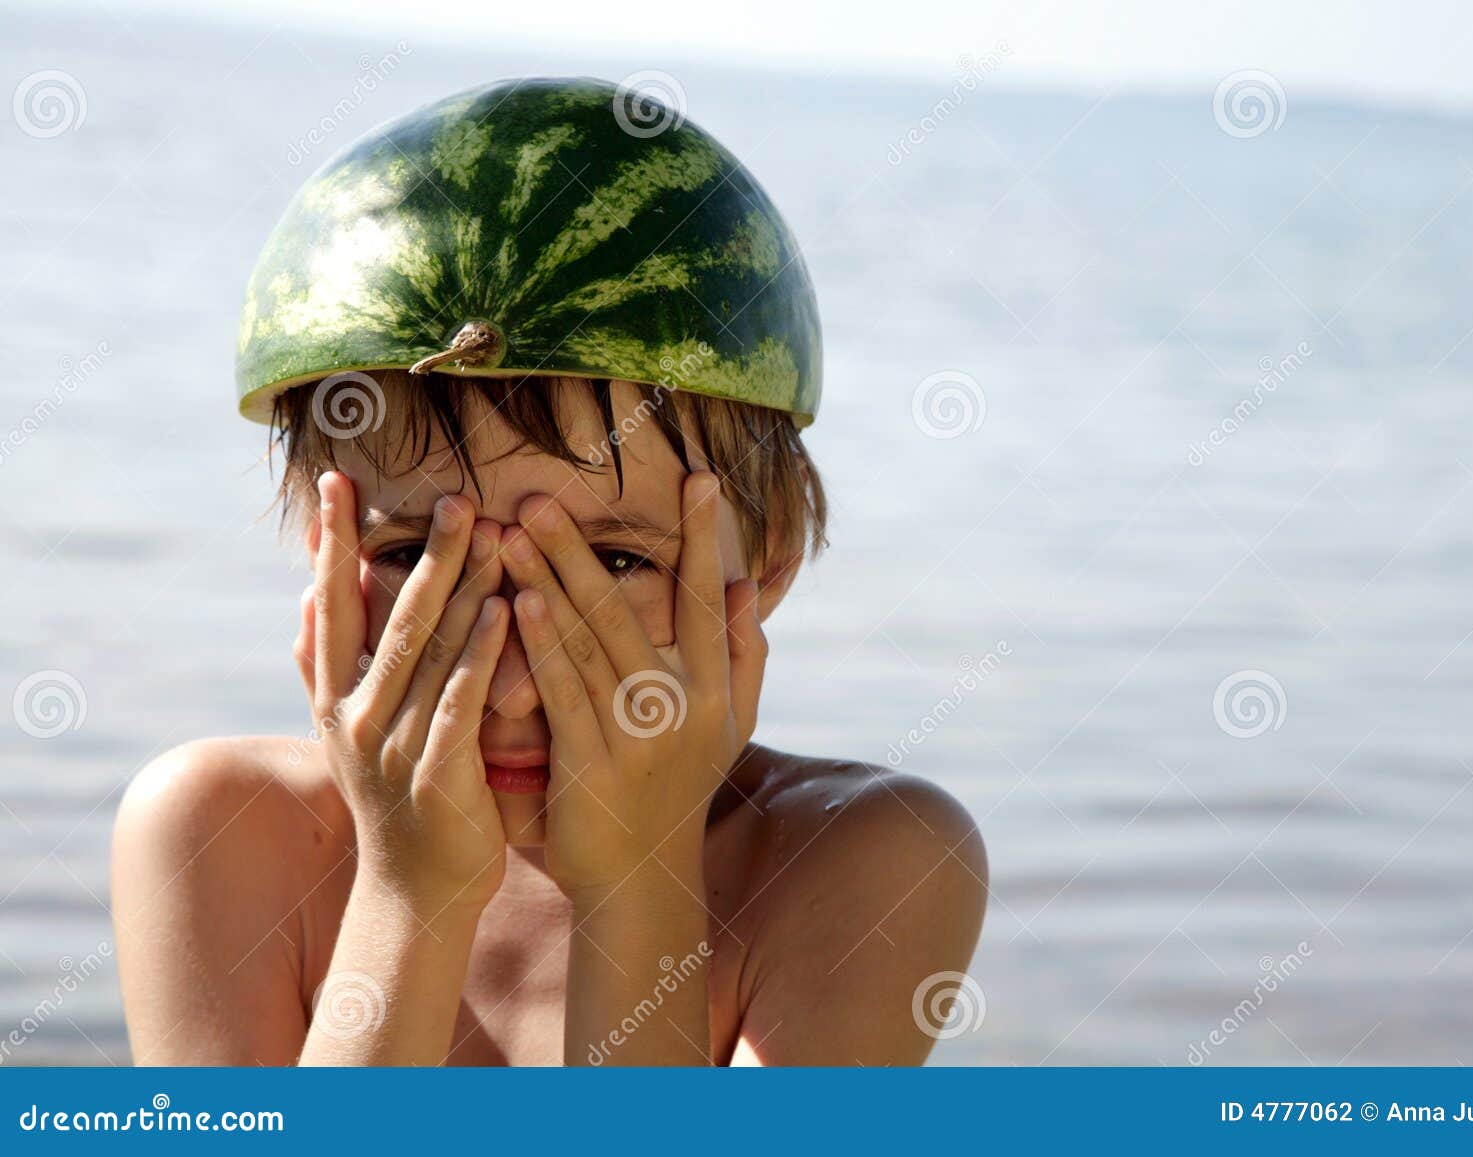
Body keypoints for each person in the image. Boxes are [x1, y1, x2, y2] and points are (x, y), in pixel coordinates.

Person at [111, 77, 986, 1066]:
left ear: (769, 557)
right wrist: (411, 893)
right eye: (415, 558)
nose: (516, 677)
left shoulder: (865, 862)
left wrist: (640, 877)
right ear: (328, 560)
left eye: (613, 561)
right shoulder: (219, 836)